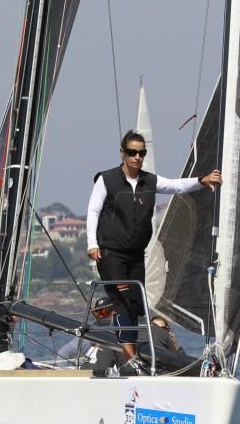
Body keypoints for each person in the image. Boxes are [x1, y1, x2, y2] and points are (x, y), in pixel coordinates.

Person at [86, 130, 221, 365]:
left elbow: (176, 186)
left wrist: (202, 180)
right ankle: (130, 358)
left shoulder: (150, 181)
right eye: (132, 152)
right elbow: (93, 211)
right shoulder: (106, 180)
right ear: (123, 153)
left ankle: (131, 356)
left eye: (141, 153)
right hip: (111, 253)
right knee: (123, 301)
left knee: (135, 305)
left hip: (137, 254)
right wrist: (92, 244)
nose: (137, 157)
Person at [56, 297, 116, 367]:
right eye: (97, 313)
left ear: (114, 311)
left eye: (104, 312)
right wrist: (64, 372)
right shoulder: (90, 331)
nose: (101, 316)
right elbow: (64, 353)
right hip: (92, 368)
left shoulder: (123, 329)